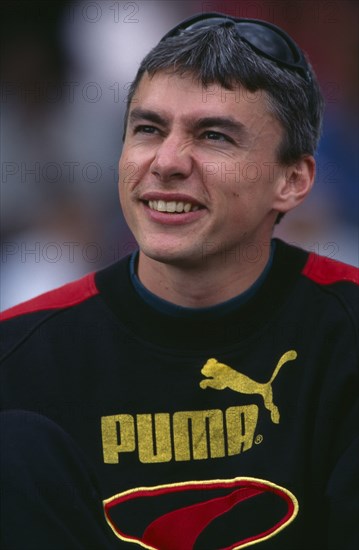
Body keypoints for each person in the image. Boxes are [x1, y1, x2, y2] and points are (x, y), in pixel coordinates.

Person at [1, 12, 358, 550]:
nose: (166, 162)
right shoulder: (16, 356)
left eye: (214, 136)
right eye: (148, 129)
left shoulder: (347, 330)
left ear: (292, 180)